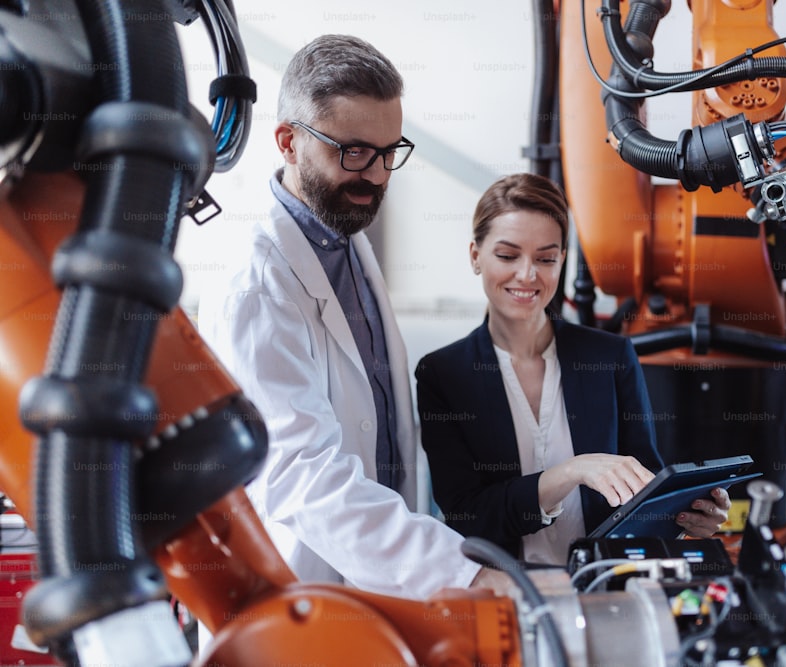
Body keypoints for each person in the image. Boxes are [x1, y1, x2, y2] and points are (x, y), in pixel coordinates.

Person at [197, 34, 506, 598]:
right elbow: (301, 474)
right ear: (288, 142)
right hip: (299, 596)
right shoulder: (257, 281)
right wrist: (464, 574)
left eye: (390, 153)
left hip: (375, 582)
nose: (379, 175)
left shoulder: (346, 237)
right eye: (355, 152)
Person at [416, 173, 731, 564]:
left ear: (562, 259)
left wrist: (684, 518)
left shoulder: (610, 356)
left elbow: (641, 490)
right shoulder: (443, 375)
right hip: (503, 591)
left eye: (546, 258)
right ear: (475, 255)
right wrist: (571, 472)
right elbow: (470, 519)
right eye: (508, 255)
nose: (528, 274)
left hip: (605, 583)